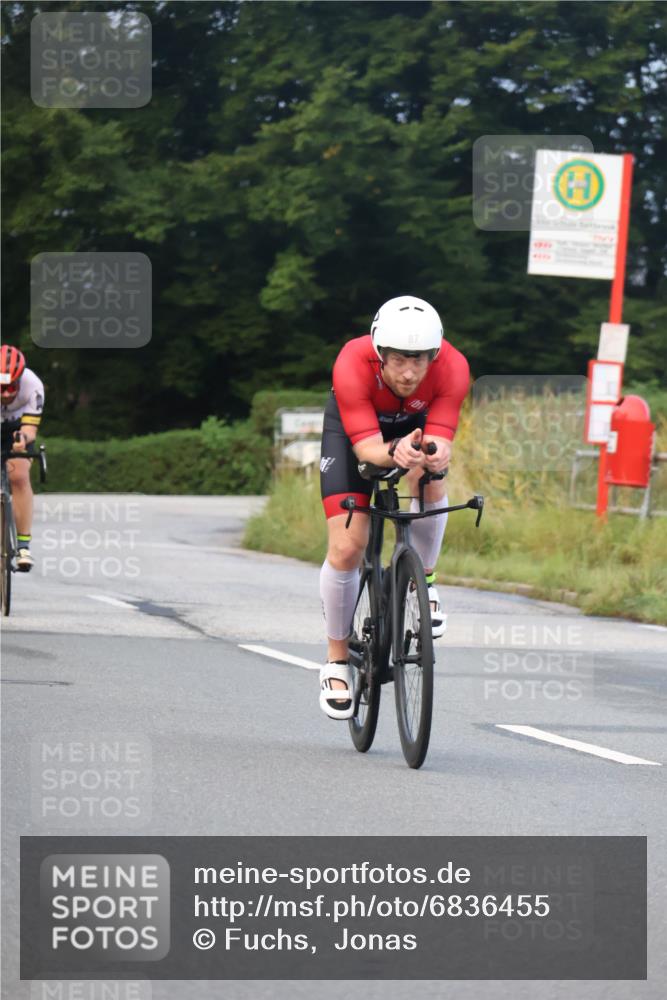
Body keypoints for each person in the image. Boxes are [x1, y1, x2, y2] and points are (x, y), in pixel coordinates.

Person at [318, 296, 470, 719]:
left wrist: (436, 454)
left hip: (411, 431)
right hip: (356, 435)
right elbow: (367, 450)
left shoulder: (454, 368)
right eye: (399, 360)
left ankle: (426, 579)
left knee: (431, 473)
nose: (408, 373)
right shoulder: (352, 362)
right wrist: (394, 450)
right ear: (380, 353)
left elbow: (441, 437)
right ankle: (335, 662)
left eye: (419, 361)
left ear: (434, 355)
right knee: (348, 547)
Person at [0, 345, 45, 572]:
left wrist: (22, 440)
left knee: (18, 474)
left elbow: (29, 430)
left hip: (17, 429)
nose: (7, 393)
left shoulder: (33, 385)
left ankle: (23, 546)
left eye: (11, 387)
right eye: (1, 388)